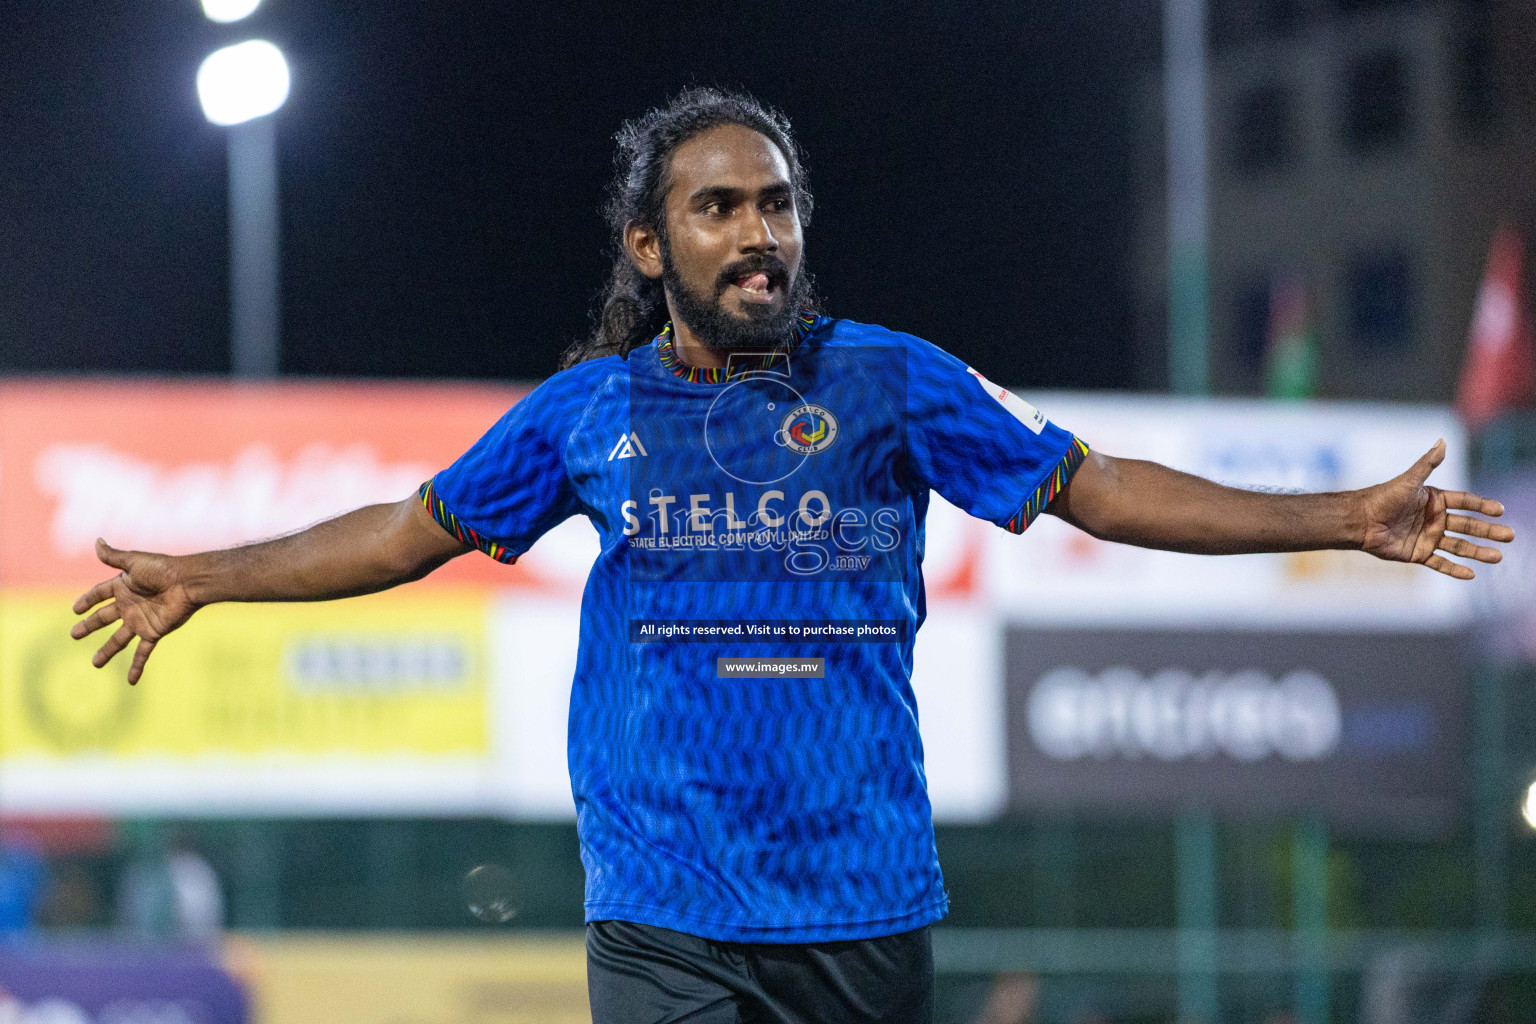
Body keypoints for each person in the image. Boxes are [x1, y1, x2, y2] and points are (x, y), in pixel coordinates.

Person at [71, 88, 1513, 1024]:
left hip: (861, 909)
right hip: (664, 918)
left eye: (776, 205)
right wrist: (211, 572)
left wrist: (1334, 518)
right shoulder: (589, 414)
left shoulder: (890, 380)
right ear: (651, 247)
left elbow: (1092, 487)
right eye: (719, 208)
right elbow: (409, 528)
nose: (759, 235)